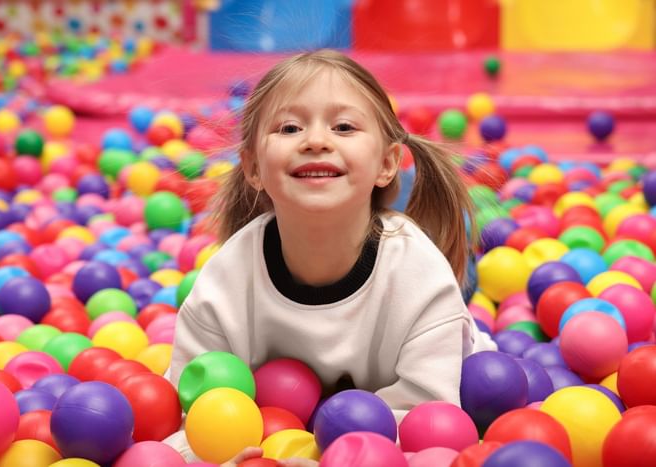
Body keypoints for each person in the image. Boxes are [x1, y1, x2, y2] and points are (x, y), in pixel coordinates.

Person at [165, 49, 496, 466]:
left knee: (465, 301)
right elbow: (184, 417)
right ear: (252, 167)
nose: (316, 141)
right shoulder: (225, 283)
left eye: (343, 127)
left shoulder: (420, 277)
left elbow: (428, 424)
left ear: (387, 163)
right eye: (289, 127)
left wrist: (325, 456)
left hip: (435, 354)